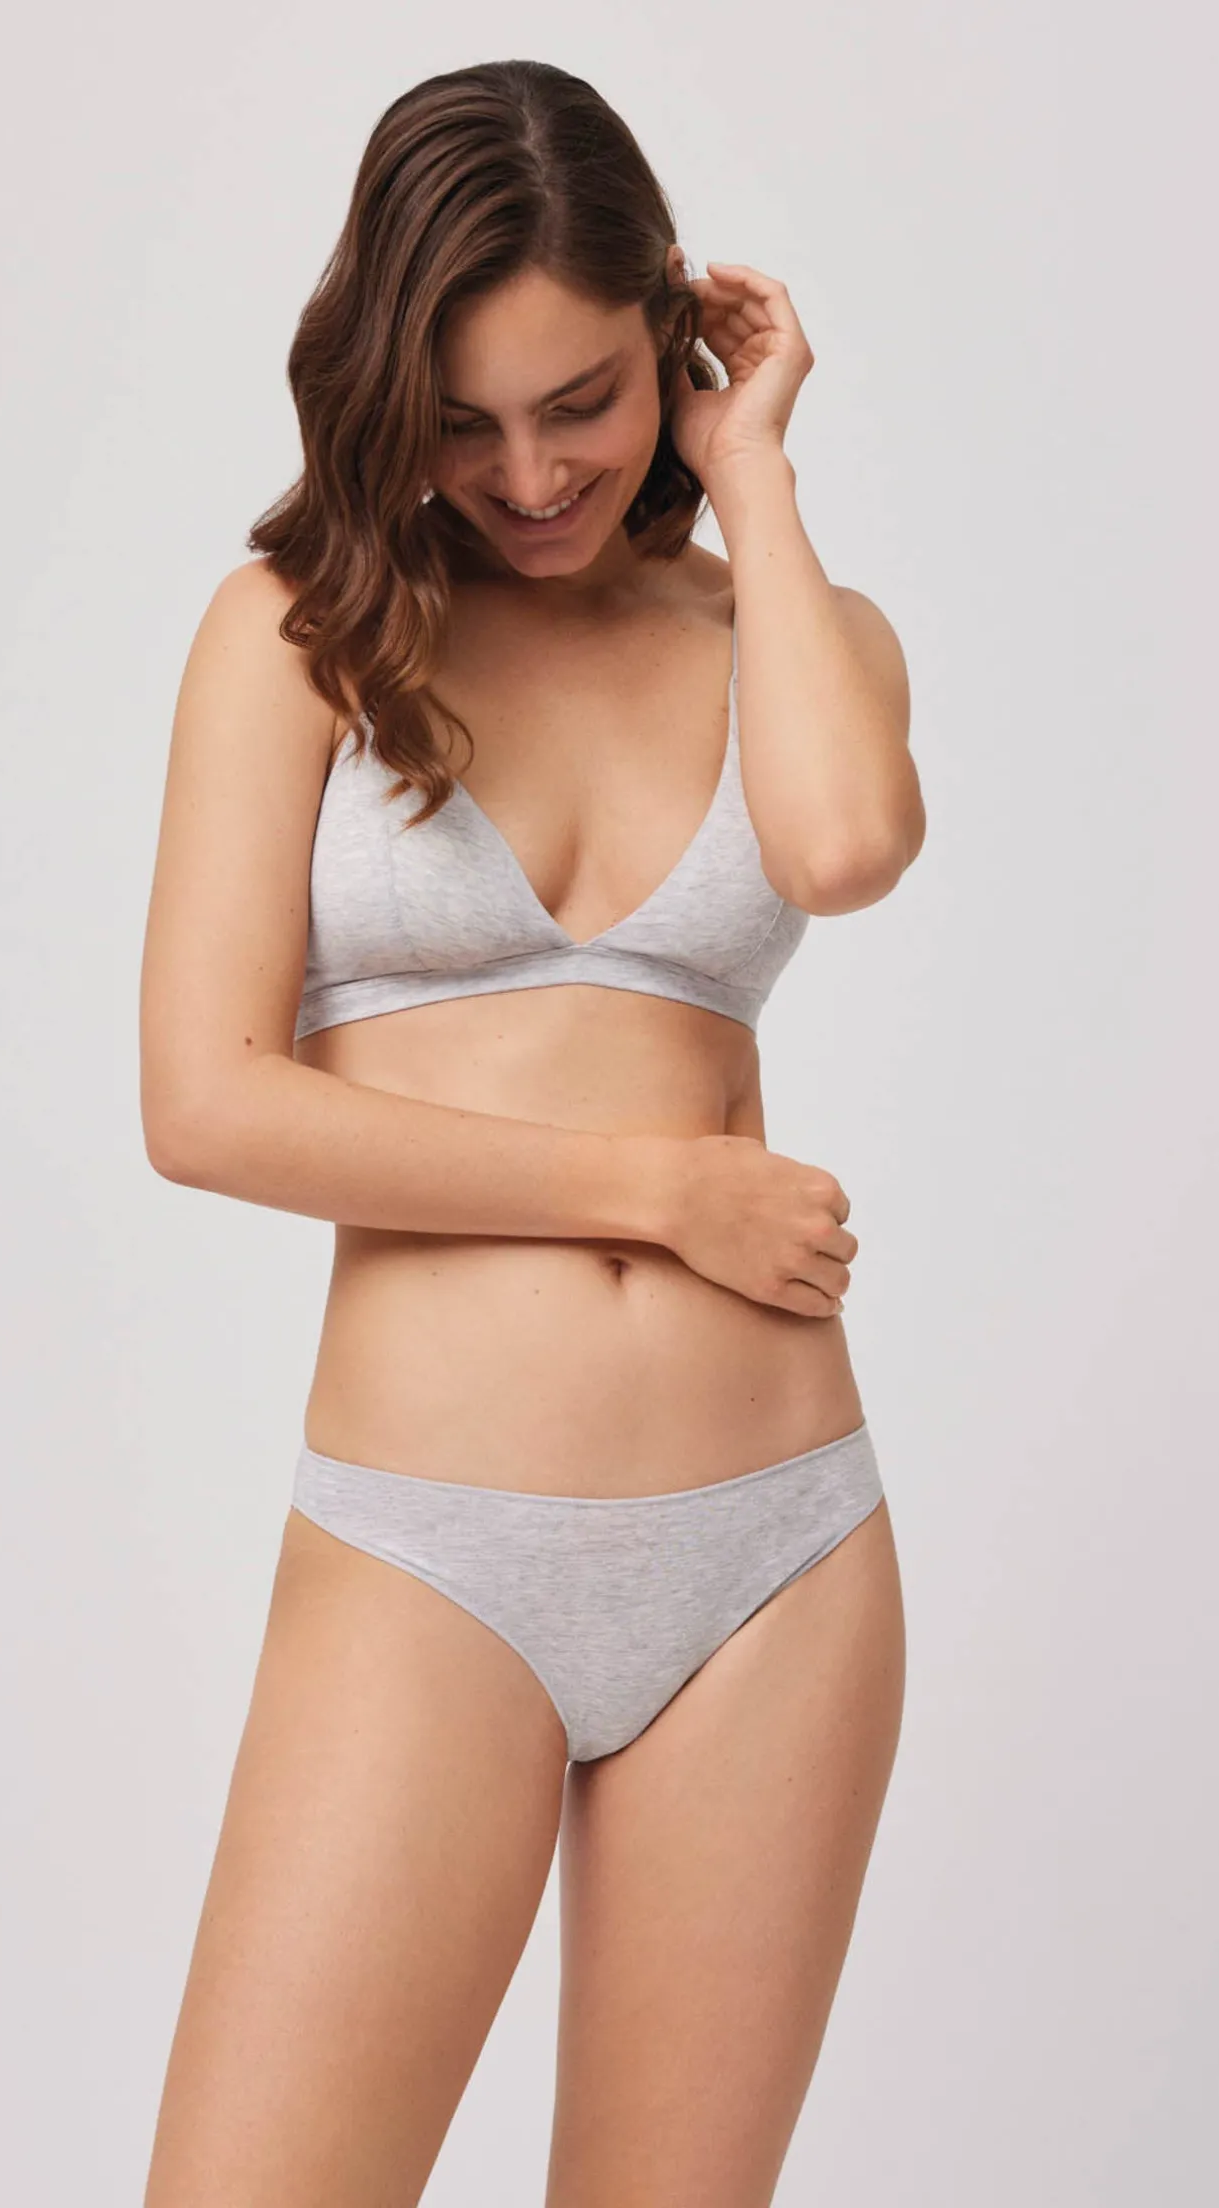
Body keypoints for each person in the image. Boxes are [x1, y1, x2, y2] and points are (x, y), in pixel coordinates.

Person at [138, 56, 923, 2208]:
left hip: (777, 1564)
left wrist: (748, 469)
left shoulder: (783, 635)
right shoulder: (296, 635)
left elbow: (845, 848)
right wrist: (659, 1190)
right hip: (429, 1548)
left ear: (668, 330)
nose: (525, 474)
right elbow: (204, 1104)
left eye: (580, 402)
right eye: (462, 420)